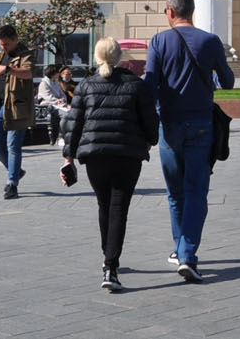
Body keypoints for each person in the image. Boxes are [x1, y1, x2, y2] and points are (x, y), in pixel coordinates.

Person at [144, 0, 235, 283]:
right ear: (191, 11)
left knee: (175, 193)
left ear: (170, 12)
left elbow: (150, 84)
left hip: (168, 125)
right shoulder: (210, 41)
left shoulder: (159, 41)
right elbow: (228, 82)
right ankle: (187, 254)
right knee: (197, 191)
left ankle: (179, 247)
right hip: (201, 124)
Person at [62, 37, 160, 292]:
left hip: (95, 155)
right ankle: (111, 265)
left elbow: (73, 123)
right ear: (119, 57)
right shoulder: (135, 84)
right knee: (119, 208)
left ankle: (108, 256)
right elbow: (150, 120)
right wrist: (150, 140)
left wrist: (68, 156)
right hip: (128, 155)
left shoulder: (85, 85)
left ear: (96, 57)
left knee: (104, 205)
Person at [0, 23, 36, 199]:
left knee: (13, 146)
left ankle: (12, 184)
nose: (3, 47)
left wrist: (8, 69)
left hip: (16, 107)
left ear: (15, 39)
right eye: (1, 44)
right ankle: (15, 170)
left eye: (6, 44)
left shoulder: (26, 54)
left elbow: (28, 73)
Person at [37, 64, 72, 144]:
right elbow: (47, 96)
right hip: (48, 105)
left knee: (72, 112)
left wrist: (63, 100)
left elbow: (62, 93)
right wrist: (57, 101)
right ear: (53, 73)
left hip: (59, 104)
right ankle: (60, 136)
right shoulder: (44, 83)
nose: (59, 75)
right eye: (57, 73)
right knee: (65, 115)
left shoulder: (56, 82)